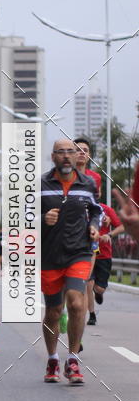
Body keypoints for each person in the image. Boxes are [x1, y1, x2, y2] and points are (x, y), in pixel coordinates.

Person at [41, 139, 102, 386]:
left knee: (77, 303)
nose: (67, 156)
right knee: (54, 311)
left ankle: (73, 359)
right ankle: (53, 358)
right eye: (61, 152)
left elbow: (96, 210)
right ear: (53, 157)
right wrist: (42, 217)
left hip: (79, 252)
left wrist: (94, 226)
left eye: (71, 151)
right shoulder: (41, 185)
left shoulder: (87, 183)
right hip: (50, 256)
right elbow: (22, 216)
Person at [86, 202, 124, 324]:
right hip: (86, 253)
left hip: (104, 255)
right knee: (89, 283)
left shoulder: (107, 210)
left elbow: (121, 226)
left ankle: (98, 293)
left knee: (99, 288)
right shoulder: (81, 207)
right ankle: (92, 315)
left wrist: (109, 234)